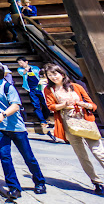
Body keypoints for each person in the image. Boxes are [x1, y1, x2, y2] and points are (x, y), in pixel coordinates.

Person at [0, 61, 46, 199]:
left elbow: (16, 106)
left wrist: (3, 115)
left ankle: (40, 182)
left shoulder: (7, 87)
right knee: (5, 157)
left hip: (16, 128)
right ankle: (13, 187)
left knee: (28, 157)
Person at [43, 63, 104, 196]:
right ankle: (97, 182)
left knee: (99, 152)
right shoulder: (49, 90)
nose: (53, 77)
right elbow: (51, 106)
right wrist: (63, 105)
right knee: (82, 155)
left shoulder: (76, 87)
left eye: (55, 74)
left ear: (62, 73)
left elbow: (92, 105)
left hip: (85, 120)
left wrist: (84, 104)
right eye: (49, 75)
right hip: (68, 123)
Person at [16, 57, 54, 141]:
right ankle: (42, 121)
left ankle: (44, 117)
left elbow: (40, 74)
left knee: (45, 104)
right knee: (36, 105)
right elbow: (23, 73)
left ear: (26, 62)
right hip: (31, 89)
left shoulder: (35, 68)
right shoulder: (20, 69)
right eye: (19, 63)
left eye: (21, 63)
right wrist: (26, 70)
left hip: (40, 87)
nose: (20, 64)